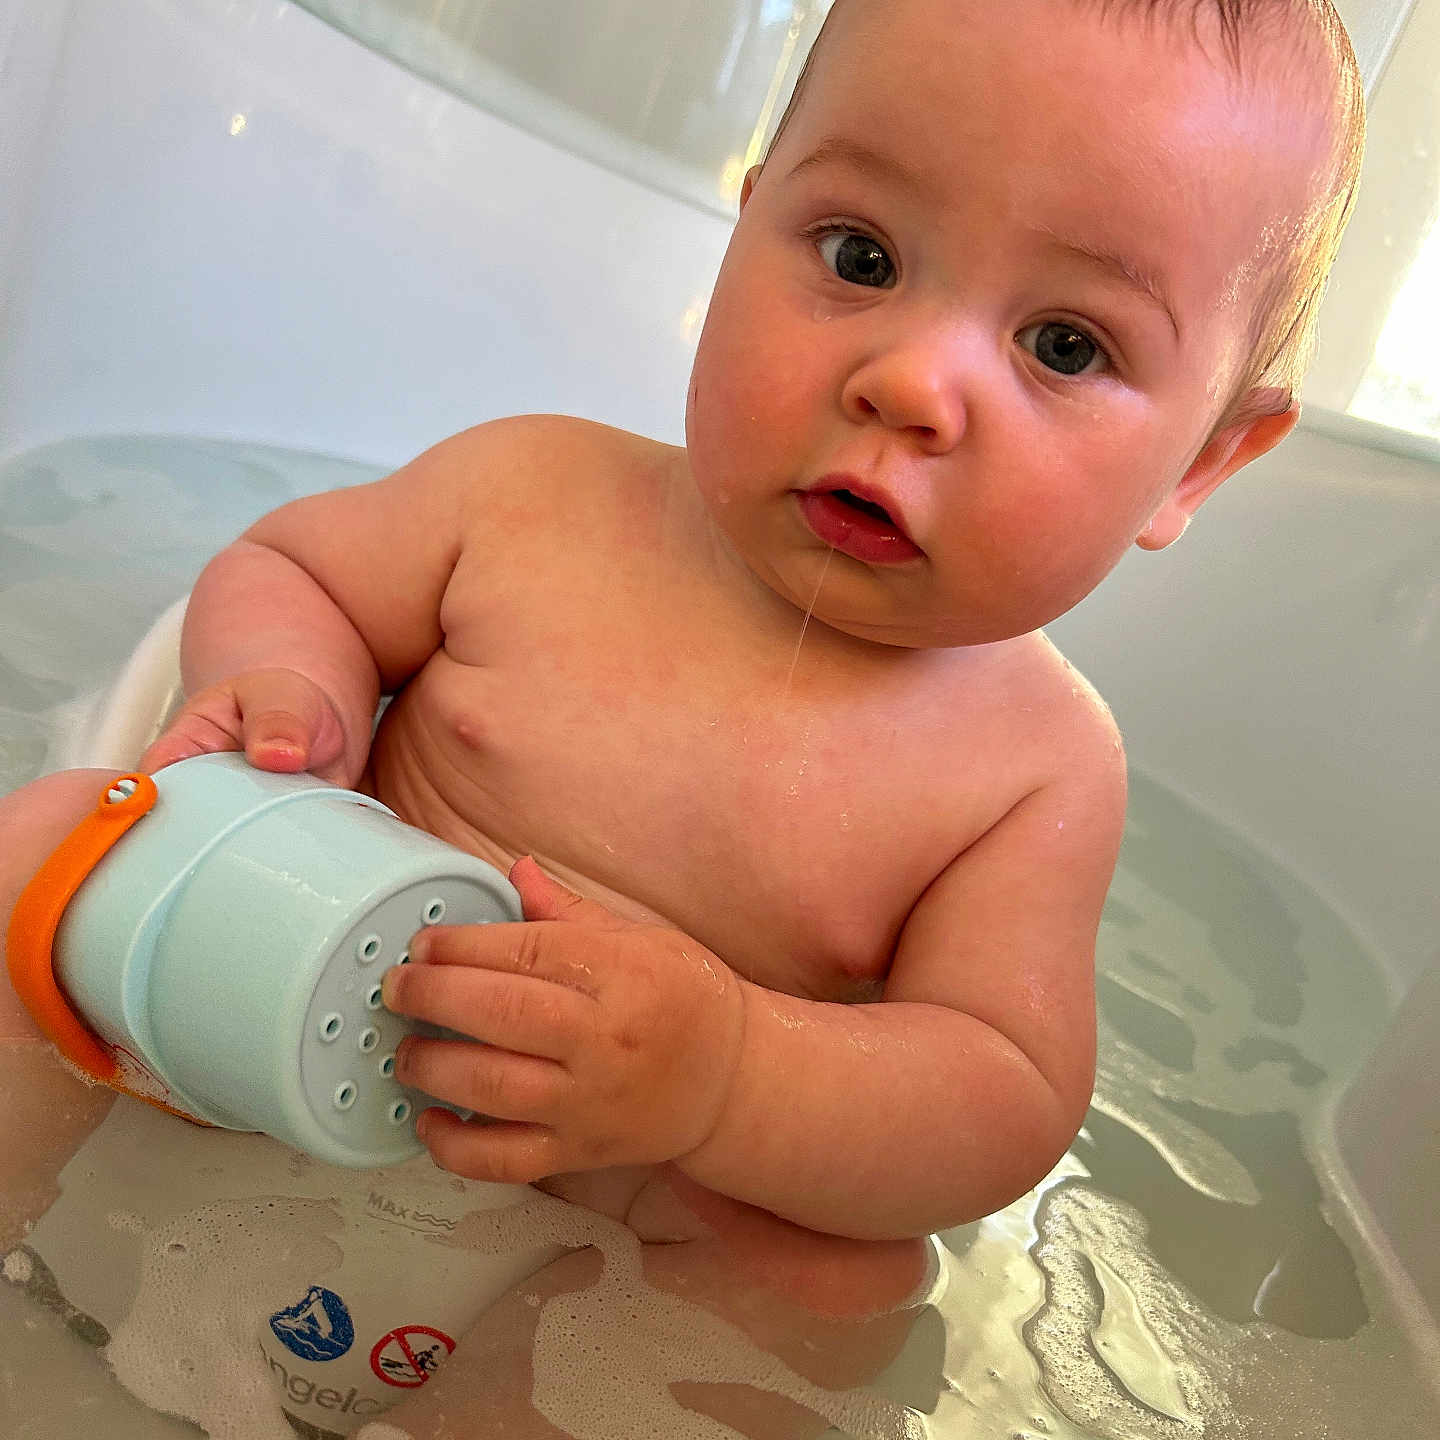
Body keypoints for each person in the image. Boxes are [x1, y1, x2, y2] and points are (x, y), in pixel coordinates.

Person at [0, 0, 1364, 1434]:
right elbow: (297, 570)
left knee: (841, 1279)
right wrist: (297, 695)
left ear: (1202, 462)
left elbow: (1001, 1096)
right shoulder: (528, 494)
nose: (911, 383)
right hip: (276, 973)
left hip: (618, 1182)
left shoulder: (1035, 771)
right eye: (861, 256)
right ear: (747, 220)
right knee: (50, 848)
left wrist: (727, 1082)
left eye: (1066, 345)